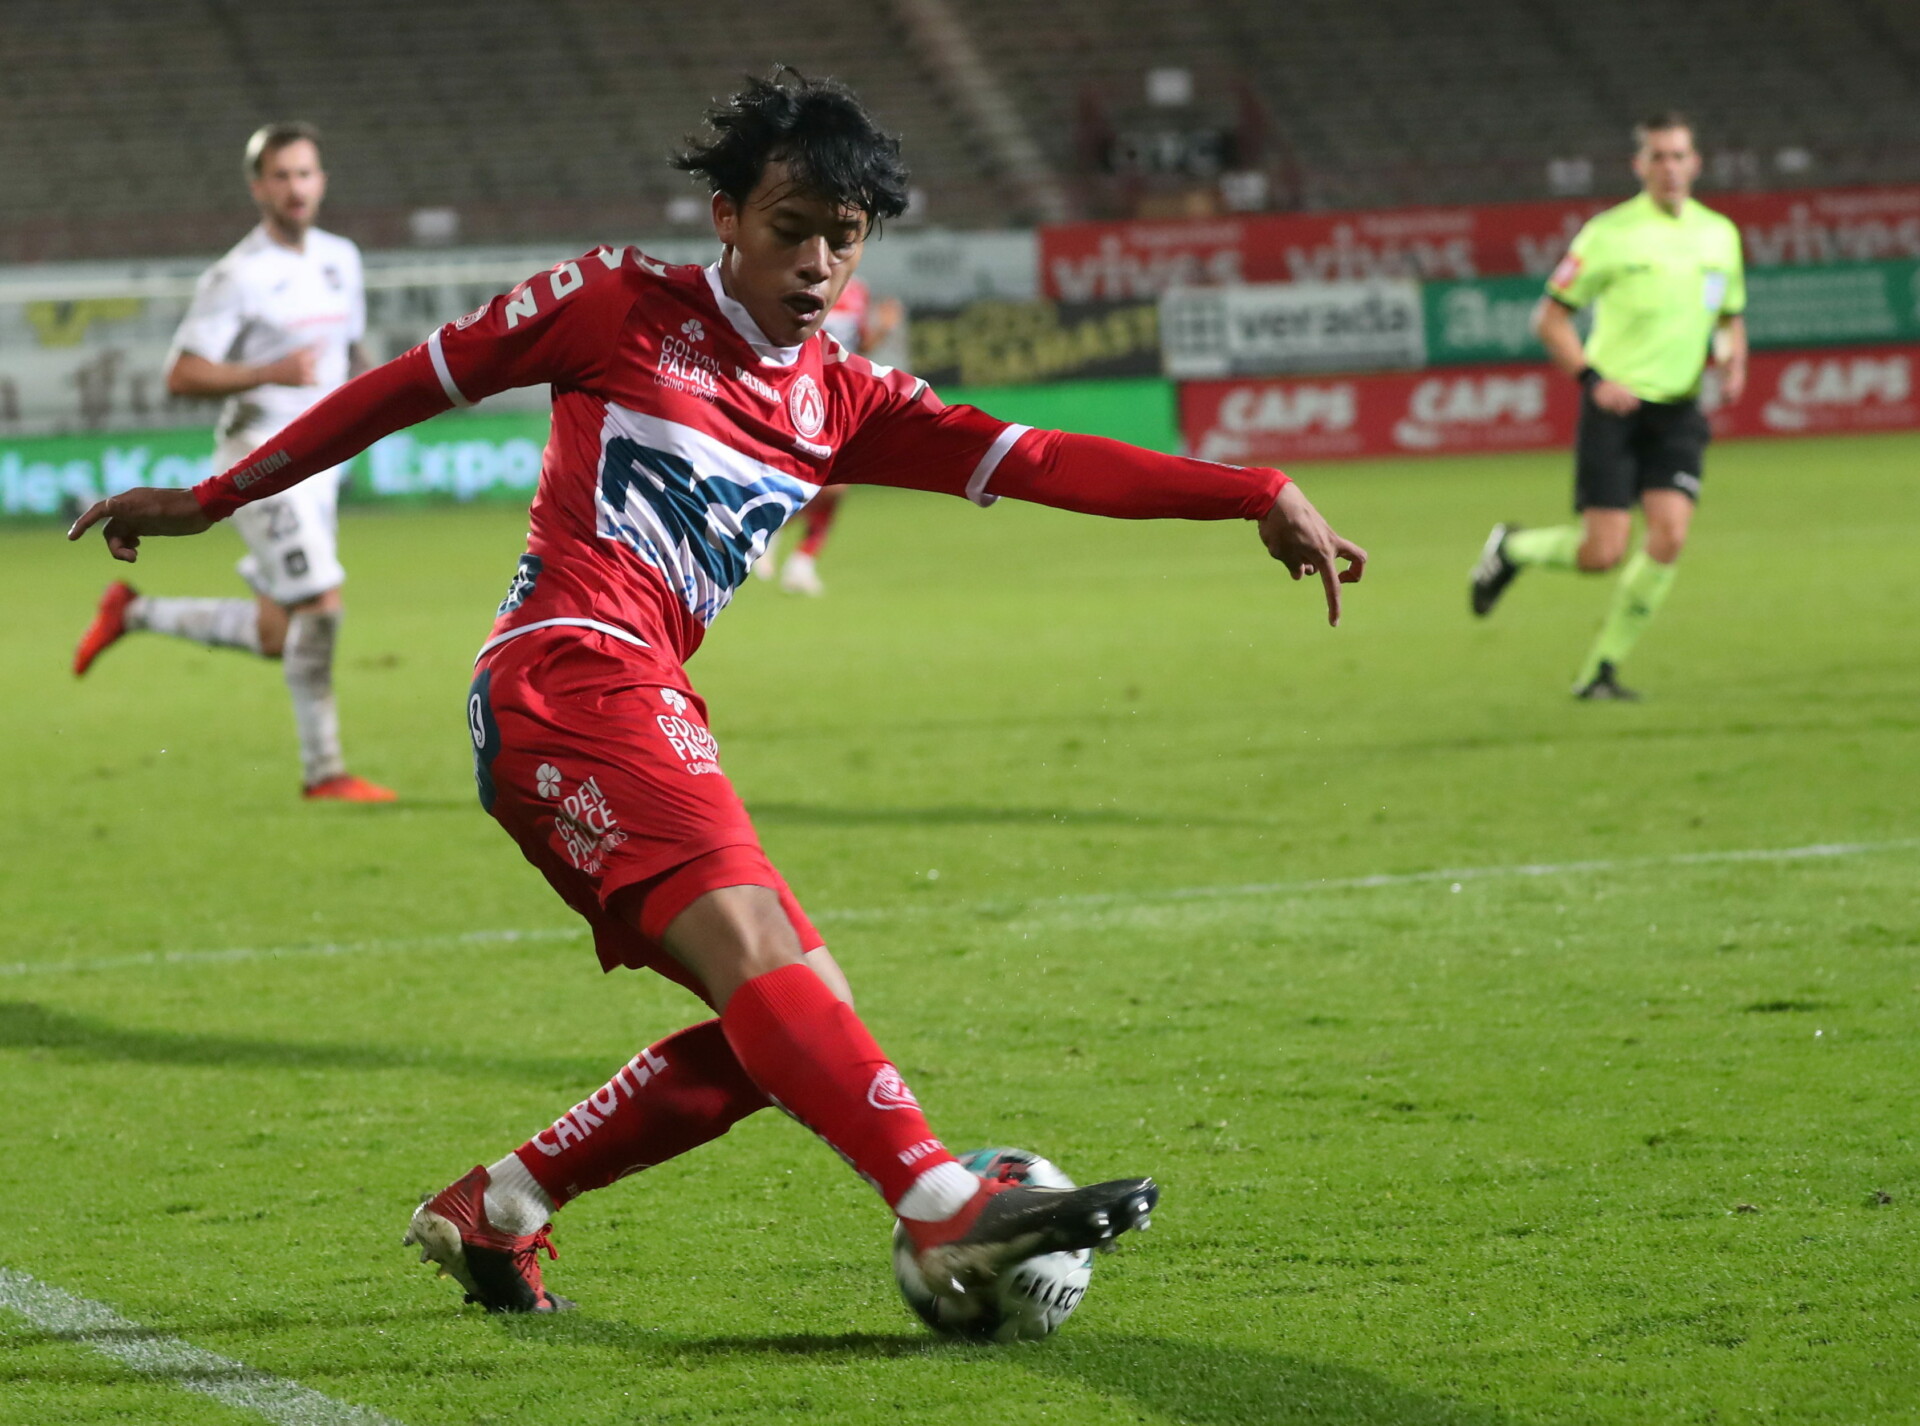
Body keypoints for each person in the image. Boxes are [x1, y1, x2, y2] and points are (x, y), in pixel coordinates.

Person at [70, 74, 1365, 1318]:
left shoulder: (842, 398)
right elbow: (406, 383)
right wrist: (213, 498)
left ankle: (500, 1206)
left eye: (841, 242)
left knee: (789, 1024)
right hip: (565, 674)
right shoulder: (612, 302)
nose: (814, 266)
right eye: (790, 230)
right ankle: (937, 1200)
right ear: (728, 218)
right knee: (772, 979)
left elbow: (1042, 460)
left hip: (639, 694)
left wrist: (1248, 489)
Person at [71, 122, 394, 801]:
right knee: (321, 606)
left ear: (321, 181)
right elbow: (182, 374)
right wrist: (270, 370)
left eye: (305, 173)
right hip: (263, 462)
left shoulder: (342, 258)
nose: (295, 187)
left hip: (321, 466)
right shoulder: (237, 275)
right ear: (258, 188)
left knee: (282, 633)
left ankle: (132, 614)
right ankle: (325, 773)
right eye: (281, 176)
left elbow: (352, 350)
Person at [1469, 110, 1747, 700]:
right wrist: (1593, 378)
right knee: (1602, 553)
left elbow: (1726, 315)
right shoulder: (1609, 234)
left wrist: (1733, 359)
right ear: (1640, 165)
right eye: (1659, 157)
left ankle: (1599, 671)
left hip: (1678, 409)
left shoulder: (1719, 234)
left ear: (1695, 163)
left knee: (1669, 536)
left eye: (1679, 156)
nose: (1670, 168)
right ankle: (1511, 548)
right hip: (1616, 408)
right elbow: (1549, 318)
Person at [760, 274, 904, 595]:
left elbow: (857, 347)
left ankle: (798, 558)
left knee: (835, 488)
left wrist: (883, 327)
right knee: (819, 484)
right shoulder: (799, 282)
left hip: (839, 399)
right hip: (799, 394)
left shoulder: (858, 291)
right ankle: (780, 541)